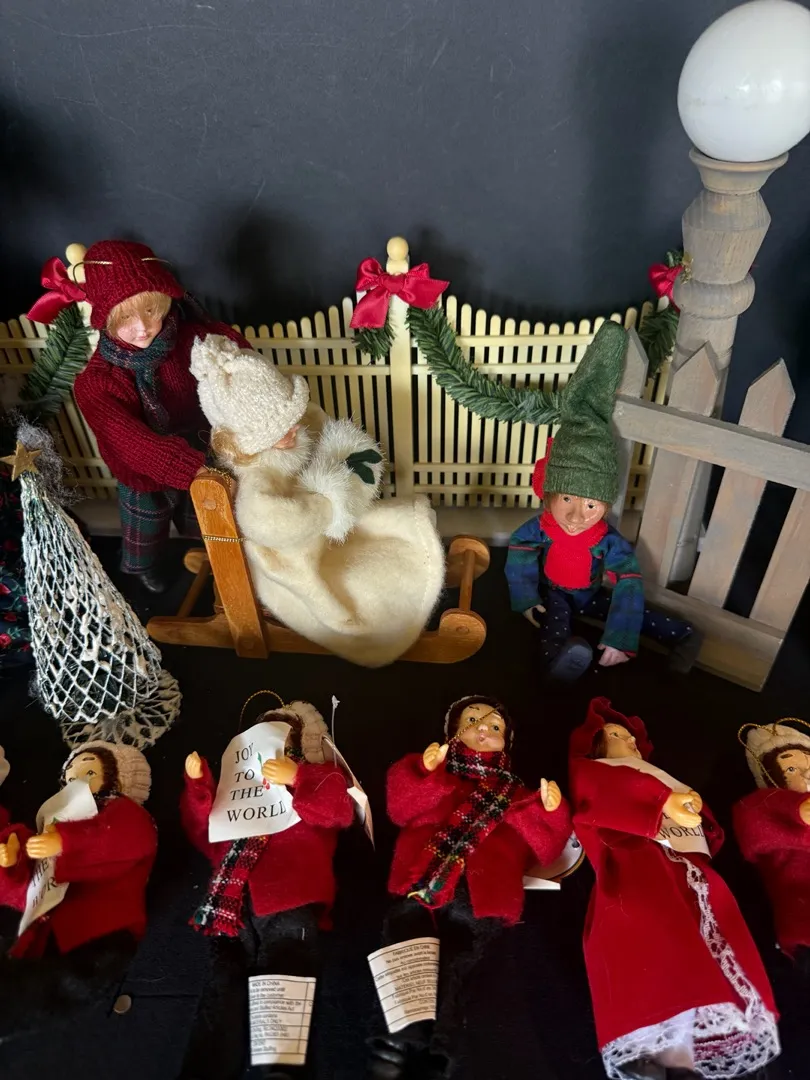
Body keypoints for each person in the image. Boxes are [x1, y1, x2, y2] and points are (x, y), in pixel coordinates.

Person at [569, 697, 779, 1080]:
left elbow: (700, 825)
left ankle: (685, 1056)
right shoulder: (595, 771)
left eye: (631, 737)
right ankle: (666, 1049)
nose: (628, 742)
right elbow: (601, 795)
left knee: (704, 953)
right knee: (659, 950)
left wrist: (693, 811)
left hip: (688, 871)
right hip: (638, 867)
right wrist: (661, 802)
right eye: (615, 735)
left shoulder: (659, 775)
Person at [27, 240, 250, 592]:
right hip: (144, 468)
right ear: (105, 319)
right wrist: (185, 468)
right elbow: (127, 439)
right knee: (145, 529)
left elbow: (232, 351)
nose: (143, 327)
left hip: (201, 446)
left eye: (151, 310)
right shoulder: (98, 381)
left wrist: (242, 362)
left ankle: (216, 553)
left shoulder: (188, 337)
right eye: (125, 318)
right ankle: (145, 567)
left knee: (208, 515)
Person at [368, 695, 572, 1079]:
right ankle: (399, 1036)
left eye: (495, 727)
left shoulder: (517, 795)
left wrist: (551, 810)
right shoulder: (436, 772)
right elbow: (399, 808)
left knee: (460, 966)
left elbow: (548, 848)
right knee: (406, 947)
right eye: (473, 721)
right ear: (453, 731)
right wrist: (426, 771)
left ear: (506, 742)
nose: (483, 729)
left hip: (483, 896)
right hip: (421, 883)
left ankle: (441, 1045)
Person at [505, 322, 699, 681]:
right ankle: (560, 664)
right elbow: (519, 550)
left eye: (591, 505)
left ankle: (684, 637)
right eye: (567, 498)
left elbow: (629, 579)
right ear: (548, 493)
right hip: (556, 594)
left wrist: (619, 637)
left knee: (635, 615)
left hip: (592, 595)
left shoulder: (605, 540)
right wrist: (527, 597)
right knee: (553, 622)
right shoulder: (542, 527)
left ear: (606, 506)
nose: (576, 516)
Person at [179, 701, 354, 1080]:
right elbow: (206, 834)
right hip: (231, 904)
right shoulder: (236, 786)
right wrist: (199, 789)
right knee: (222, 988)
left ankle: (281, 1072)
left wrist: (299, 776)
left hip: (291, 893)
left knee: (286, 976)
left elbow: (339, 812)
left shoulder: (323, 774)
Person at [0, 742, 156, 1045]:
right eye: (70, 778)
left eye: (89, 773)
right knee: (31, 980)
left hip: (102, 928)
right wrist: (12, 860)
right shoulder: (54, 820)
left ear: (116, 777)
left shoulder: (123, 811)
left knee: (65, 985)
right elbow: (28, 885)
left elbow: (133, 838)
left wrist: (65, 842)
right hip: (47, 930)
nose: (77, 783)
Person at [734, 719, 810, 968]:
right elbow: (752, 819)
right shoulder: (765, 806)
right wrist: (796, 811)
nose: (807, 773)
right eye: (791, 769)